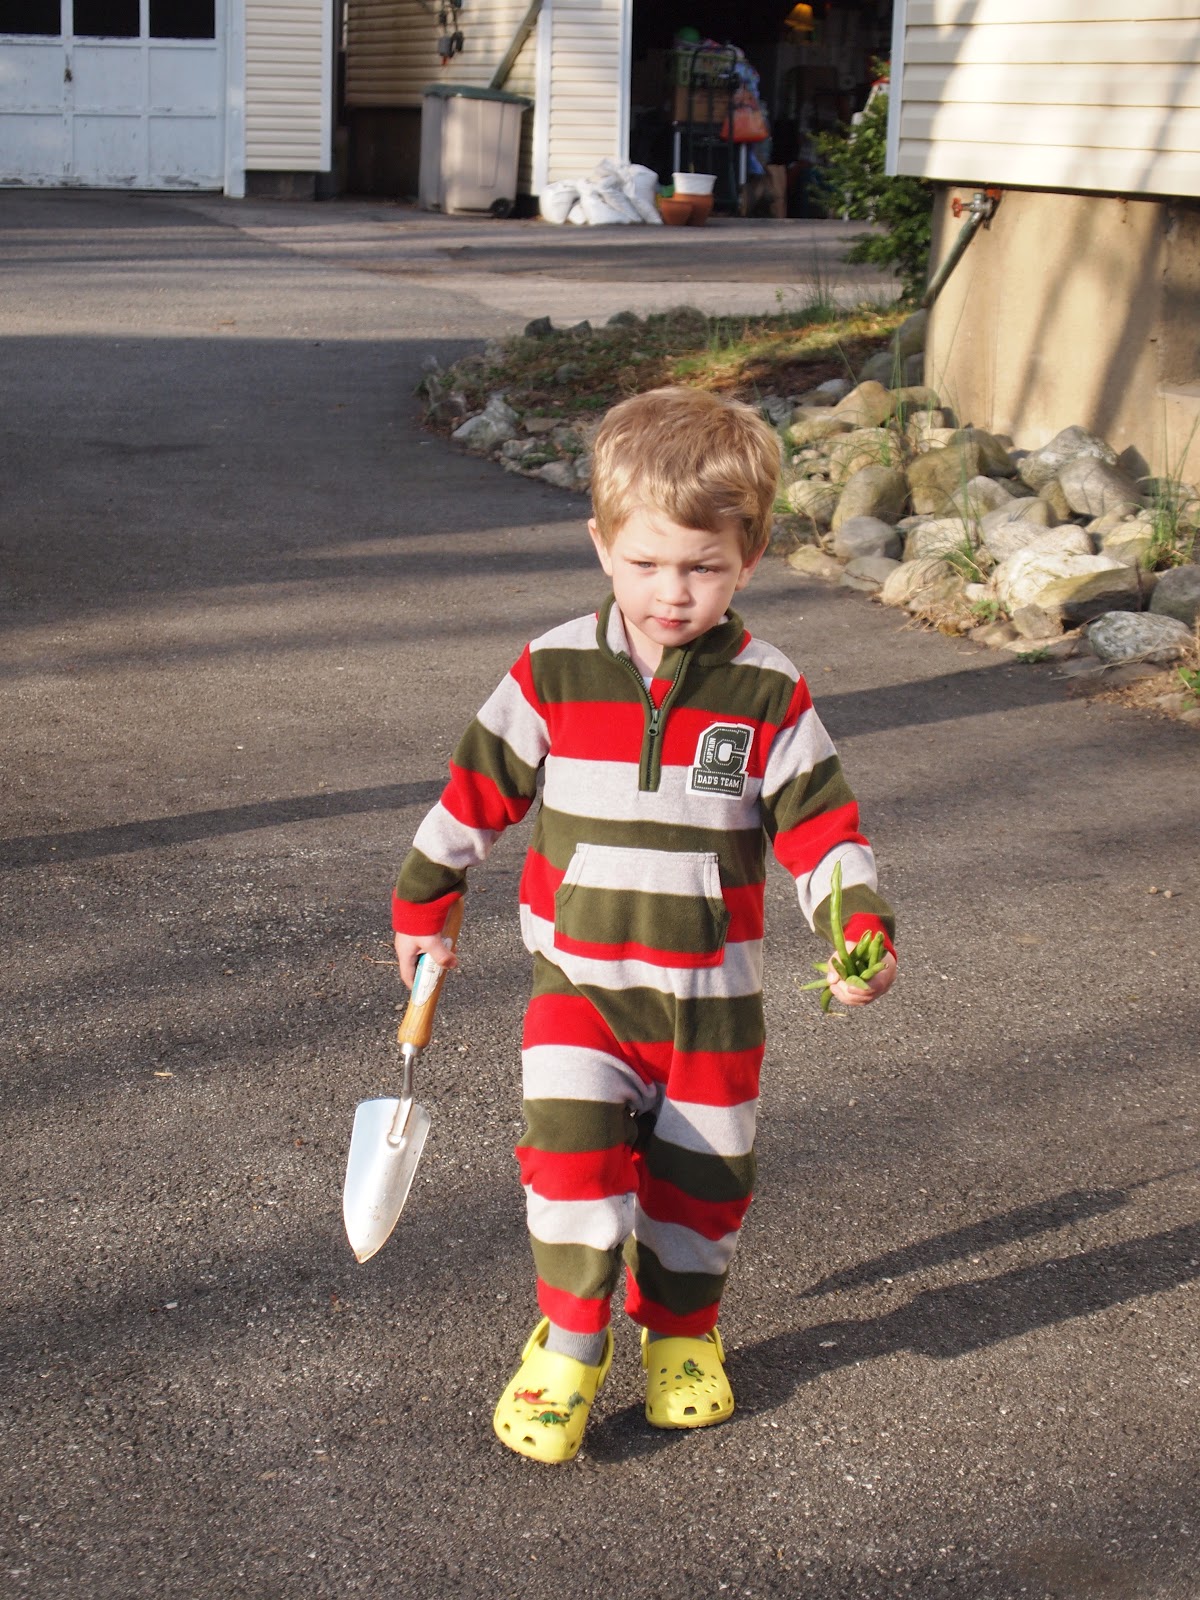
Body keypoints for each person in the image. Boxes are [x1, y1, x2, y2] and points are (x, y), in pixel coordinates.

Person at [391, 385, 896, 1463]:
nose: (672, 592)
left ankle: (681, 1330)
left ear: (750, 556)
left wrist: (858, 925)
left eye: (703, 567)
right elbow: (477, 789)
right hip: (581, 985)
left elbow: (822, 830)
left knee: (703, 1183)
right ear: (601, 546)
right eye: (646, 562)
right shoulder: (553, 668)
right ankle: (571, 1340)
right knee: (568, 1163)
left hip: (712, 1005)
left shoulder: (767, 692)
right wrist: (427, 896)